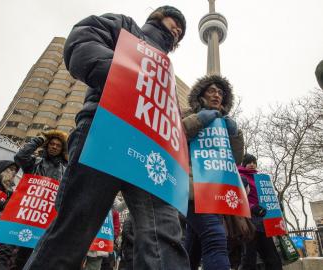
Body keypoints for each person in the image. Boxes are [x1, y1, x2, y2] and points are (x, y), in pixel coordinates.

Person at [24, 6, 190, 270]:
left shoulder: (166, 72)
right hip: (106, 126)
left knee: (165, 234)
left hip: (153, 150)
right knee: (75, 226)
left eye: (181, 33)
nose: (177, 31)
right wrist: (124, 75)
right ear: (157, 17)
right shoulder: (124, 27)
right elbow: (82, 42)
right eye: (174, 23)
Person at [182, 75, 245, 270]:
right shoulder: (186, 113)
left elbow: (234, 160)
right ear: (201, 95)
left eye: (220, 92)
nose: (216, 95)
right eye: (211, 91)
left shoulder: (225, 124)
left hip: (216, 192)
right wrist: (199, 120)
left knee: (193, 248)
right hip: (193, 188)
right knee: (215, 237)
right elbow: (175, 137)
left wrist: (234, 135)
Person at [12, 130, 68, 269]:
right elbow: (20, 157)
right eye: (52, 144)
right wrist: (40, 139)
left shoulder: (65, 169)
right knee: (13, 256)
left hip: (46, 218)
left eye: (58, 145)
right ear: (47, 145)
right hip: (25, 214)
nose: (54, 147)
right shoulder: (35, 162)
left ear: (62, 150)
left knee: (35, 257)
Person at [238, 154, 282, 270]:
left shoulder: (261, 179)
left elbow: (266, 197)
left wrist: (276, 205)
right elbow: (239, 197)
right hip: (249, 222)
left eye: (254, 162)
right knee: (249, 258)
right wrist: (253, 207)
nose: (252, 164)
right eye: (249, 162)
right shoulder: (240, 177)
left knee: (272, 257)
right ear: (244, 164)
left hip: (264, 222)